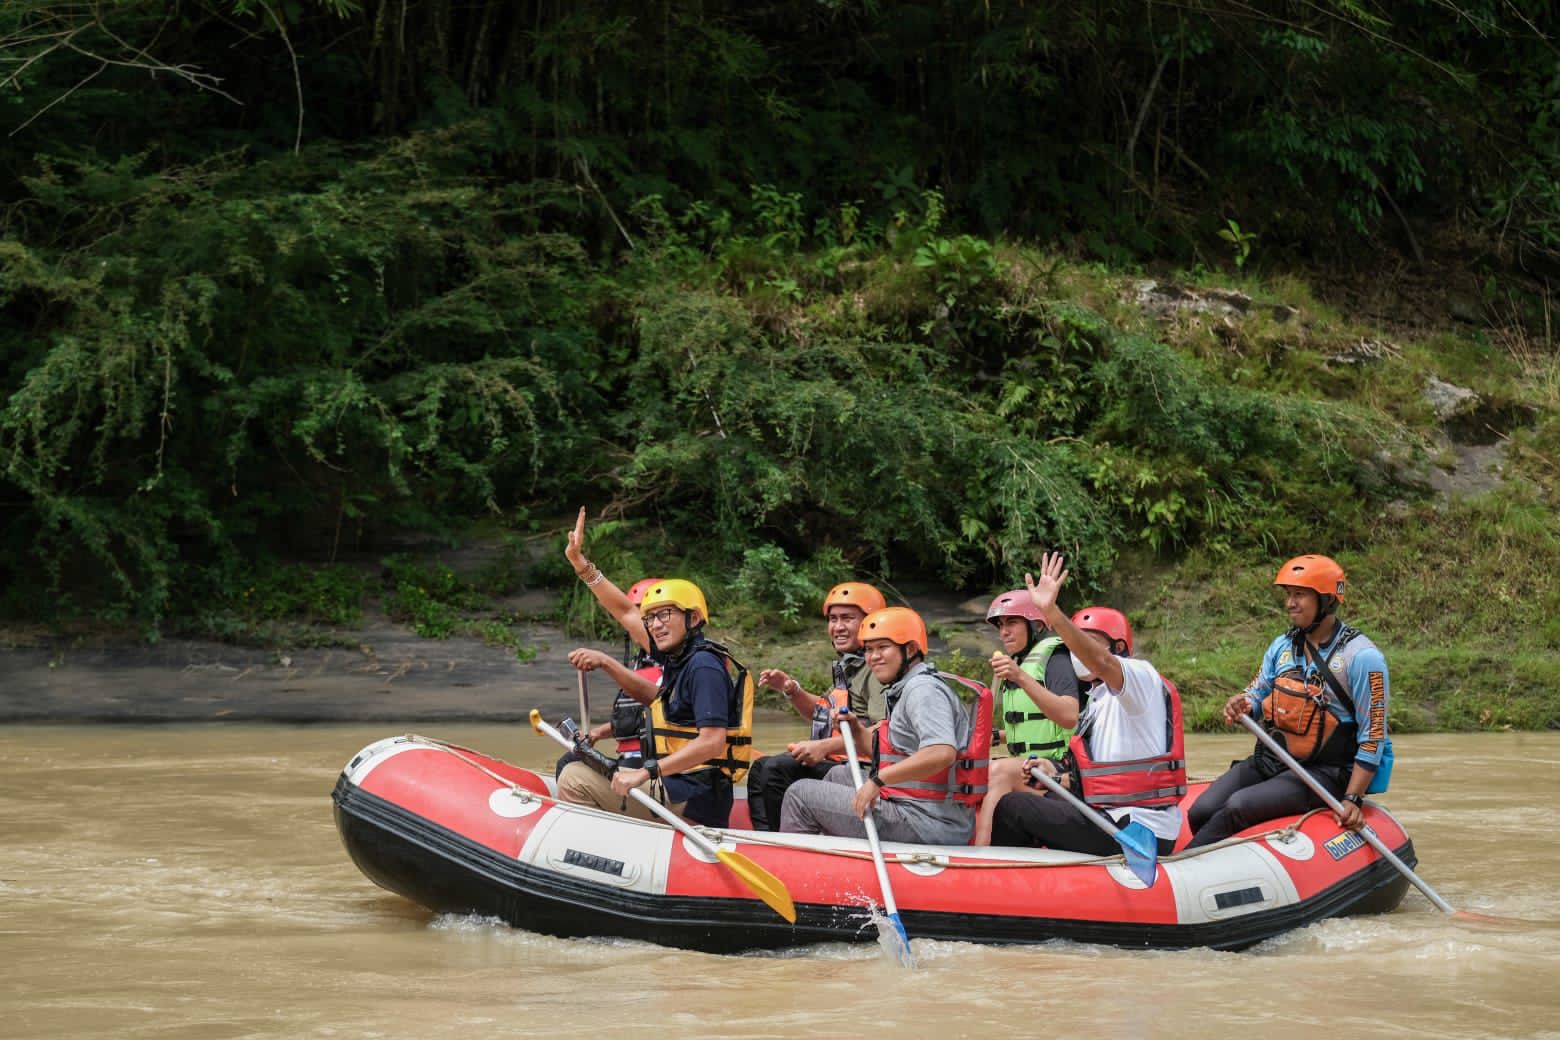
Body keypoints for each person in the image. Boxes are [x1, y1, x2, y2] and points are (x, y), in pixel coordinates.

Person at [557, 511, 754, 827]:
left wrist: (645, 772)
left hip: (696, 795)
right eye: (652, 618)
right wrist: (581, 564)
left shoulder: (704, 666)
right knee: (577, 764)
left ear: (692, 619)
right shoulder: (677, 657)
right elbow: (624, 610)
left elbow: (713, 743)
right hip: (680, 784)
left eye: (666, 615)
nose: (656, 624)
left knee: (572, 778)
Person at [1184, 554, 1391, 849]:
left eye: (1300, 595)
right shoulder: (1282, 646)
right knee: (1202, 810)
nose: (1289, 603)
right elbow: (1257, 692)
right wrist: (1243, 703)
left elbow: (1372, 736)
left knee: (1237, 806)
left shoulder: (1362, 658)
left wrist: (1352, 798)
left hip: (1322, 772)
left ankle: (1180, 869)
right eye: (1288, 595)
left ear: (1326, 600)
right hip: (1273, 758)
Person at [990, 553, 1186, 857]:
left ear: (1119, 648)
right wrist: (1052, 775)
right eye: (1075, 646)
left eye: (1089, 642)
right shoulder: (1096, 701)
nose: (1079, 653)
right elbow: (1093, 779)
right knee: (1031, 793)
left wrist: (1052, 613)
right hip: (1105, 814)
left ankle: (1002, 887)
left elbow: (1102, 661)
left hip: (1137, 828)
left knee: (1013, 807)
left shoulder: (1140, 678)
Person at [779, 606, 992, 846]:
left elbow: (941, 752)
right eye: (869, 649)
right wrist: (857, 729)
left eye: (883, 647)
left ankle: (800, 869)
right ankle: (839, 856)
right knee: (840, 773)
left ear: (910, 649)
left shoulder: (923, 691)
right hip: (917, 806)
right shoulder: (905, 687)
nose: (873, 657)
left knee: (800, 794)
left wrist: (878, 780)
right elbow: (893, 749)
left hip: (927, 822)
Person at [745, 582, 889, 831]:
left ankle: (792, 842)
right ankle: (770, 842)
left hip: (862, 771)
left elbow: (882, 730)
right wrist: (792, 690)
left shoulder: (876, 668)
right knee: (760, 769)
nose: (838, 627)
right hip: (840, 761)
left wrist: (824, 746)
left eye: (847, 618)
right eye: (833, 619)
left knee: (776, 770)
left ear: (870, 622)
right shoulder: (849, 667)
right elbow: (821, 714)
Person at [971, 588, 1083, 846]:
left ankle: (982, 857)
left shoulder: (1055, 658)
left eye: (1012, 622)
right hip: (1028, 764)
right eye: (1000, 625)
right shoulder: (1018, 662)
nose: (1004, 632)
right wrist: (998, 736)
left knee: (997, 772)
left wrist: (1020, 677)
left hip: (1059, 767)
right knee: (972, 771)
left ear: (1036, 625)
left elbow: (1068, 717)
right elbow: (1032, 725)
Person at [554, 573, 662, 779]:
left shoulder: (674, 663)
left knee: (570, 767)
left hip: (650, 762)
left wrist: (605, 661)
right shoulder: (643, 663)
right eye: (640, 614)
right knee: (571, 759)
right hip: (630, 757)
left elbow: (663, 709)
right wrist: (597, 733)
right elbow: (633, 719)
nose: (642, 621)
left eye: (647, 614)